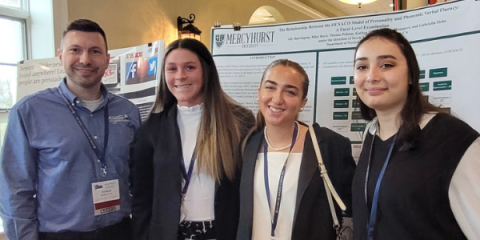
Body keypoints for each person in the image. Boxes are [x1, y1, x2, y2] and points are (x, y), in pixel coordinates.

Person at [0, 19, 141, 240]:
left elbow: (139, 177)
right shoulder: (29, 112)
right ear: (60, 56)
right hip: (60, 234)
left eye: (94, 51)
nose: (85, 59)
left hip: (120, 231)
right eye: (75, 50)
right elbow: (15, 189)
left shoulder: (128, 111)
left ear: (106, 59)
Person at [351, 28, 480, 240]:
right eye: (362, 66)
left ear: (411, 75)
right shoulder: (372, 135)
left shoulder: (453, 138)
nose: (371, 76)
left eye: (386, 65)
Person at [130, 38, 255, 240]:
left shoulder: (239, 122)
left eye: (189, 67)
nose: (180, 76)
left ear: (206, 71)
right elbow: (142, 197)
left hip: (223, 231)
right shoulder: (152, 129)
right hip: (170, 233)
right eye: (172, 69)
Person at [236, 59, 356, 240]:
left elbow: (352, 208)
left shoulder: (330, 146)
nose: (277, 99)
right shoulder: (246, 145)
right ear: (259, 92)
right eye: (270, 88)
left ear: (302, 102)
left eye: (290, 92)